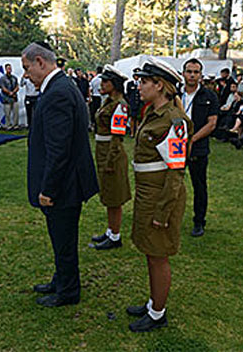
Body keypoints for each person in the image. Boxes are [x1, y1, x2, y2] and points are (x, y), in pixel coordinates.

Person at [22, 41, 99, 306]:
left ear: (40, 62)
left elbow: (59, 150)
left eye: (27, 67)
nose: (25, 74)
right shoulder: (61, 86)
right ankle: (61, 279)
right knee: (61, 238)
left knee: (64, 239)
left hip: (63, 186)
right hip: (68, 183)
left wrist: (48, 190)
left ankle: (68, 291)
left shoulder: (58, 92)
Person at [125, 57, 191, 332]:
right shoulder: (153, 113)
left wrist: (163, 211)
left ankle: (158, 313)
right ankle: (154, 302)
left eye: (143, 82)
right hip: (148, 191)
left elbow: (176, 171)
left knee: (158, 254)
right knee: (151, 251)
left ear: (159, 85)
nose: (139, 86)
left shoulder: (174, 120)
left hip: (162, 194)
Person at [90, 65, 132, 250]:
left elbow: (117, 136)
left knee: (114, 196)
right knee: (108, 194)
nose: (102, 83)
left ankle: (115, 236)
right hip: (104, 150)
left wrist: (110, 160)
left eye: (106, 81)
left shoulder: (120, 106)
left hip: (111, 153)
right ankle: (110, 231)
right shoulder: (108, 102)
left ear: (114, 85)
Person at [180, 58, 219, 237]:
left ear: (201, 75)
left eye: (196, 72)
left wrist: (192, 139)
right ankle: (170, 218)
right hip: (175, 147)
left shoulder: (209, 96)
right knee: (173, 184)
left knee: (199, 186)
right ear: (183, 73)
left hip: (198, 148)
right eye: (189, 71)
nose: (192, 75)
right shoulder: (174, 94)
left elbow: (212, 124)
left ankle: (199, 222)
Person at [0, 63, 20, 130]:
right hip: (6, 98)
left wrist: (13, 92)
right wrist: (9, 93)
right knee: (7, 113)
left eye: (10, 68)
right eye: (8, 68)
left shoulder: (14, 78)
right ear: (5, 69)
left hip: (14, 98)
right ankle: (8, 125)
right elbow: (2, 87)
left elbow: (17, 86)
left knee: (16, 112)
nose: (9, 69)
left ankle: (15, 125)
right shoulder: (2, 78)